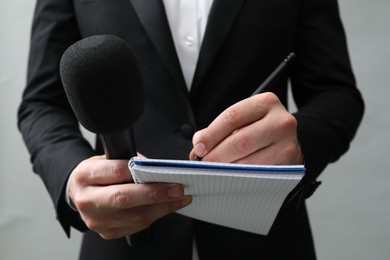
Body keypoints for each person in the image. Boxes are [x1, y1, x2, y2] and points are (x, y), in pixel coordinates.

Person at [18, 0, 364, 259]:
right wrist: (73, 176)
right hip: (124, 240)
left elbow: (336, 93)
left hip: (266, 241)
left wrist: (299, 142)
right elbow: (42, 103)